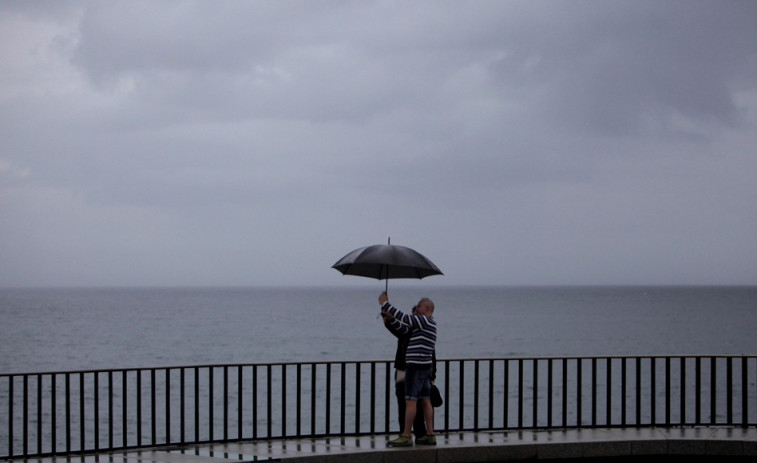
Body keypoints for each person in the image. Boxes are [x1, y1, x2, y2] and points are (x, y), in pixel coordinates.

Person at [378, 291, 437, 447]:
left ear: (426, 308)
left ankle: (406, 435)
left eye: (419, 306)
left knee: (410, 401)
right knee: (425, 400)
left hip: (415, 367)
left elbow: (404, 318)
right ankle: (429, 434)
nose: (416, 308)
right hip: (425, 368)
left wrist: (385, 303)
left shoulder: (423, 321)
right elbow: (403, 329)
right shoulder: (430, 323)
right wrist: (389, 318)